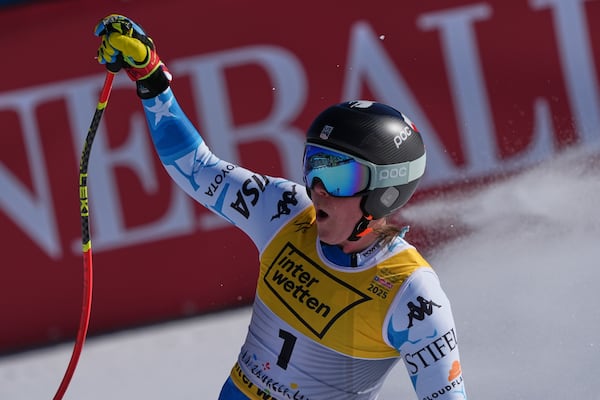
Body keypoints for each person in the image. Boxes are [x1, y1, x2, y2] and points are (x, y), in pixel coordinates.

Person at [94, 15, 467, 400]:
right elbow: (197, 168)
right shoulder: (285, 211)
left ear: (385, 192)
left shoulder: (411, 294)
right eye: (314, 167)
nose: (318, 190)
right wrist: (150, 78)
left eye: (338, 178)